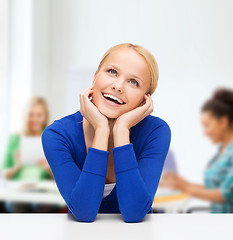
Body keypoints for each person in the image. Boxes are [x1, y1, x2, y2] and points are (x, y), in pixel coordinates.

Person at [41, 43, 171, 222]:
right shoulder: (57, 136)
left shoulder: (155, 132)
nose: (118, 86)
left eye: (133, 82)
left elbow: (134, 213)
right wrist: (102, 130)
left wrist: (121, 130)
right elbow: (84, 212)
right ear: (95, 78)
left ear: (144, 101)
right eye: (112, 72)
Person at [162, 88, 233, 213]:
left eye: (207, 125)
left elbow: (224, 194)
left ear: (223, 122)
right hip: (219, 221)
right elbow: (212, 188)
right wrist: (183, 184)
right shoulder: (220, 154)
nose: (205, 132)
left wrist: (186, 188)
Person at [2, 96, 57, 213]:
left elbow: (60, 178)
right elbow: (4, 174)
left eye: (39, 115)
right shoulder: (15, 139)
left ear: (45, 117)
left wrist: (48, 168)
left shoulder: (51, 139)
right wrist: (16, 167)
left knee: (44, 205)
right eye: (31, 114)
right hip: (18, 190)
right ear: (25, 116)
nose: (34, 119)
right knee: (17, 205)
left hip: (44, 190)